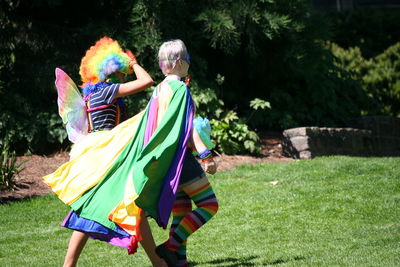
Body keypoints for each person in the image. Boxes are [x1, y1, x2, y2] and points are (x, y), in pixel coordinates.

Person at [50, 36, 167, 267]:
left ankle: (158, 263)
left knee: (120, 205)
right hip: (107, 152)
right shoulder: (107, 91)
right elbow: (147, 81)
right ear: (112, 71)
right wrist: (133, 63)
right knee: (102, 207)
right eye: (123, 71)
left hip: (97, 152)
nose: (126, 75)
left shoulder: (92, 93)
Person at [153, 40, 219, 267]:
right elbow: (187, 127)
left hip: (164, 162)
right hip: (181, 159)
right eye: (188, 59)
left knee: (181, 213)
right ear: (180, 62)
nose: (189, 63)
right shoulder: (180, 89)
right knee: (209, 205)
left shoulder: (159, 89)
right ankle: (170, 248)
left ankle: (179, 263)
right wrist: (206, 155)